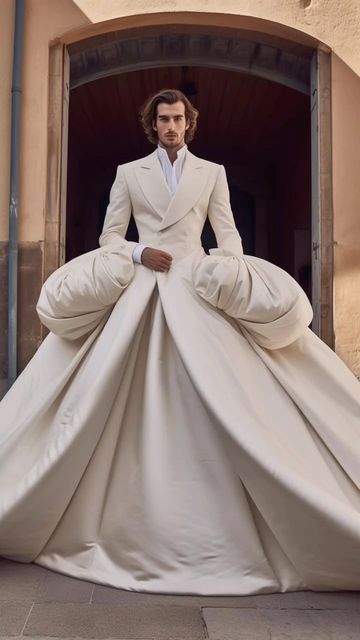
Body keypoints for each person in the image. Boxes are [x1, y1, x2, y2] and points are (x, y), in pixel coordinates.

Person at [0, 88, 360, 596]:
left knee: (233, 384)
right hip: (144, 285)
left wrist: (226, 270)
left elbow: (228, 233)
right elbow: (109, 237)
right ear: (153, 124)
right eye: (163, 119)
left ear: (190, 123)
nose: (172, 126)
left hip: (196, 283)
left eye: (178, 119)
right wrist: (139, 252)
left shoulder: (212, 173)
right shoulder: (129, 173)